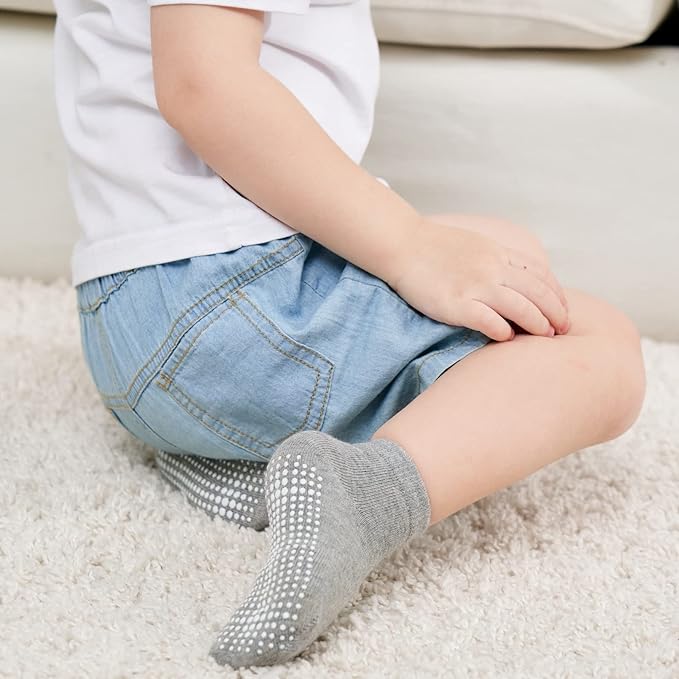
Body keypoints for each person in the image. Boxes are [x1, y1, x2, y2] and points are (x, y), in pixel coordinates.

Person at [53, 0, 646, 669]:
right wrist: (409, 246)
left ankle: (233, 454)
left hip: (137, 320)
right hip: (226, 303)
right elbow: (203, 84)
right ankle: (361, 499)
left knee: (512, 257)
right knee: (598, 348)